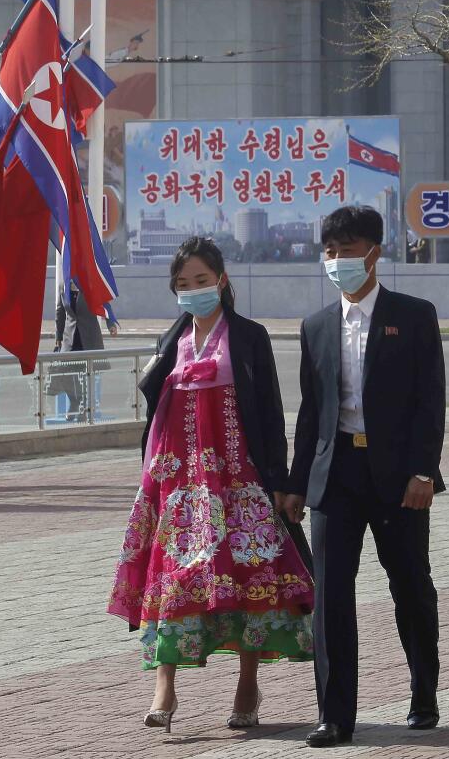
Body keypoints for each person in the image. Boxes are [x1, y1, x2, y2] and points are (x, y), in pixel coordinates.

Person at [108, 237, 315, 734]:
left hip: (238, 479)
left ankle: (248, 683)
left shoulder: (249, 337)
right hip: (178, 482)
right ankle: (165, 684)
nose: (193, 291)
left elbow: (268, 410)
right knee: (173, 578)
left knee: (245, 578)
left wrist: (282, 481)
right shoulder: (170, 341)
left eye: (201, 281)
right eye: (183, 284)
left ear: (221, 280)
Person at [283, 206, 446, 748]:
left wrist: (424, 470)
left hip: (400, 476)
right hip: (337, 475)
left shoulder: (414, 316)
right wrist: (295, 482)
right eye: (329, 252)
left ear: (375, 252)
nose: (337, 261)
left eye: (347, 250)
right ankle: (335, 715)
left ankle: (424, 693)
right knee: (331, 594)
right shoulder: (315, 327)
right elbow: (311, 413)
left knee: (410, 586)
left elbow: (430, 403)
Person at [49, 280, 117, 420]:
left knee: (85, 375)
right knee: (65, 373)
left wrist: (110, 324)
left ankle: (84, 409)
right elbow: (60, 311)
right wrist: (58, 335)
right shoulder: (64, 286)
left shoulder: (89, 283)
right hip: (70, 339)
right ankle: (75, 402)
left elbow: (104, 303)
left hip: (89, 337)